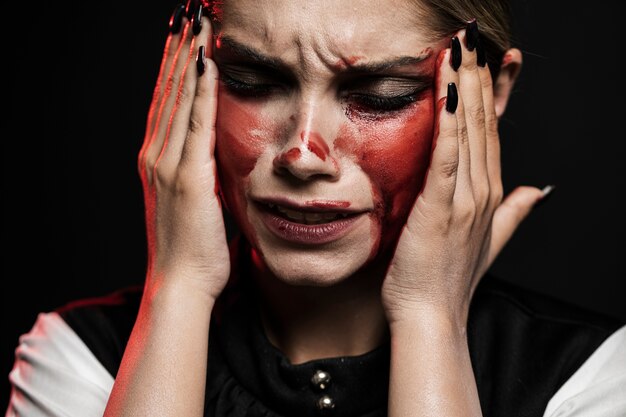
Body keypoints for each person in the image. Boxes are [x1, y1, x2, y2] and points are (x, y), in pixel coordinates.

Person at [5, 0, 625, 416]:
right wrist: (179, 291)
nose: (303, 156)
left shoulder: (591, 375)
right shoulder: (80, 357)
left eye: (380, 95)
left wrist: (429, 318)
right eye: (251, 81)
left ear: (492, 94)